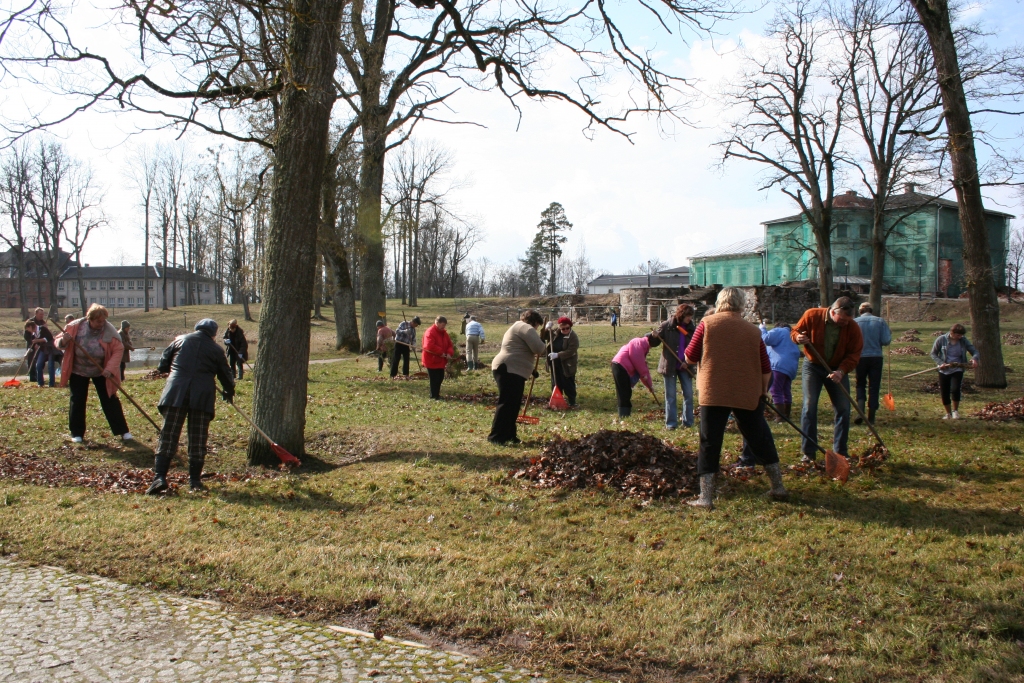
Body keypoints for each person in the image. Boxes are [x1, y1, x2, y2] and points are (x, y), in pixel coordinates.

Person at [684, 287, 787, 508]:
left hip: (714, 391)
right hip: (747, 391)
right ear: (741, 304)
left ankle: (706, 497)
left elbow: (690, 357)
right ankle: (777, 486)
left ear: (720, 302)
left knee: (710, 442)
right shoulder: (752, 331)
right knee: (759, 438)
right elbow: (765, 366)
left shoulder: (707, 325)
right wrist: (763, 391)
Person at [147, 319, 235, 494]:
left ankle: (159, 477)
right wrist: (228, 391)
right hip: (201, 395)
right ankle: (194, 481)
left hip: (175, 392)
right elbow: (226, 375)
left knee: (168, 435)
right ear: (213, 334)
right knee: (197, 437)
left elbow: (163, 364)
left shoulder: (179, 340)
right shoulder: (216, 350)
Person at [792, 297, 863, 462]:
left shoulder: (852, 327)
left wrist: (841, 370)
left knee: (844, 408)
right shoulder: (812, 315)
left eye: (848, 320)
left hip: (837, 369)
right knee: (809, 406)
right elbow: (795, 331)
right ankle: (809, 453)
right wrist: (798, 338)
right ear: (832, 312)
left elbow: (854, 354)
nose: (845, 323)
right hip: (813, 366)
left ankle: (840, 452)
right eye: (842, 320)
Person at [54, 304, 132, 444]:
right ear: (90, 319)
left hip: (102, 370)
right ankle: (77, 433)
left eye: (103, 321)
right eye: (98, 321)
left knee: (110, 399)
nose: (101, 324)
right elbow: (58, 342)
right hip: (78, 370)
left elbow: (118, 350)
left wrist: (109, 369)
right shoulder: (75, 326)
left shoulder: (110, 331)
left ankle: (123, 431)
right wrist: (64, 340)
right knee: (77, 400)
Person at [488, 310, 547, 444]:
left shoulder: (517, 327)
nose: (536, 329)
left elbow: (520, 351)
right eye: (537, 326)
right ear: (533, 322)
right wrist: (543, 341)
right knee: (507, 403)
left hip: (509, 368)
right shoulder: (525, 327)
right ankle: (495, 436)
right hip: (509, 369)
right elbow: (539, 349)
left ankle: (509, 434)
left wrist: (531, 369)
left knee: (513, 404)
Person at [656, 304, 696, 429]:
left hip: (685, 367)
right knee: (671, 396)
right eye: (687, 316)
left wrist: (688, 362)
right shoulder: (667, 326)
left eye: (691, 316)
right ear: (681, 315)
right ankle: (671, 424)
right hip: (670, 366)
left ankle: (688, 422)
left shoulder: (691, 328)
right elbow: (654, 342)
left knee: (688, 395)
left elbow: (695, 347)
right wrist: (652, 336)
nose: (689, 318)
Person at [930, 323, 979, 419]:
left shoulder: (963, 341)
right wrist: (940, 363)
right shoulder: (941, 339)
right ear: (952, 333)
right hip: (944, 370)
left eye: (961, 335)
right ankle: (948, 413)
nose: (960, 337)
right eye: (958, 335)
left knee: (956, 389)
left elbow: (974, 351)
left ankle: (955, 411)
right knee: (945, 391)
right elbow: (933, 353)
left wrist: (975, 358)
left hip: (957, 368)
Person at [854, 302, 891, 425]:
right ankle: (871, 417)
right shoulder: (880, 322)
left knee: (860, 384)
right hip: (876, 357)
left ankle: (860, 411)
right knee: (874, 386)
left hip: (860, 357)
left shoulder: (855, 322)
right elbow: (886, 341)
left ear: (860, 311)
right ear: (871, 310)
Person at [759, 320, 802, 420]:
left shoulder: (779, 331)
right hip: (790, 368)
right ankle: (786, 414)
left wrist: (762, 328)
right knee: (786, 390)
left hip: (778, 366)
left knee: (776, 390)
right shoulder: (792, 336)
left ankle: (780, 416)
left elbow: (765, 339)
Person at [611, 332, 660, 418]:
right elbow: (640, 366)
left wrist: (650, 386)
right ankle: (623, 415)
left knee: (626, 392)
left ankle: (625, 414)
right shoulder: (638, 343)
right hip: (620, 366)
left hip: (622, 367)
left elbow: (643, 367)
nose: (651, 348)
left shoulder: (643, 347)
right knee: (623, 393)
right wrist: (647, 382)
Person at [540, 316, 579, 406]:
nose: (565, 330)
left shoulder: (573, 337)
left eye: (567, 328)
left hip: (567, 364)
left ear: (570, 326)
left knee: (568, 382)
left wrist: (558, 355)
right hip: (554, 363)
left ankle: (572, 402)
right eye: (563, 329)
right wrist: (546, 328)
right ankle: (557, 399)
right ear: (559, 327)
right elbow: (543, 337)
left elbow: (571, 351)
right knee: (556, 382)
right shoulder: (554, 332)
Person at [421, 316, 455, 399]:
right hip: (431, 360)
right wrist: (441, 352)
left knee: (440, 378)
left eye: (445, 325)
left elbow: (449, 345)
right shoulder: (430, 332)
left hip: (441, 360)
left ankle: (437, 394)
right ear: (437, 323)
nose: (444, 327)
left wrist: (449, 353)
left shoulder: (444, 333)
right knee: (434, 379)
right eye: (442, 325)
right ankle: (433, 396)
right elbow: (429, 345)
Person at [25, 320, 56, 387]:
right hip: (42, 349)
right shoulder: (33, 335)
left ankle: (51, 383)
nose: (28, 331)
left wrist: (38, 340)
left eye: (28, 329)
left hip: (50, 348)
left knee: (50, 366)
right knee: (38, 365)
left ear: (30, 326)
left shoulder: (42, 329)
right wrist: (27, 353)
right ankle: (40, 383)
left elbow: (49, 337)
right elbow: (32, 345)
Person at [24, 307, 47, 383]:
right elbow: (26, 335)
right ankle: (32, 377)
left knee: (40, 361)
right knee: (31, 360)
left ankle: (39, 376)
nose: (41, 316)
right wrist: (33, 344)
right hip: (32, 344)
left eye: (42, 314)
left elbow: (45, 334)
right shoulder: (31, 322)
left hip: (40, 345)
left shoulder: (43, 322)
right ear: (36, 314)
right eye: (40, 314)